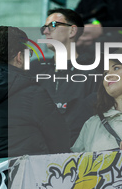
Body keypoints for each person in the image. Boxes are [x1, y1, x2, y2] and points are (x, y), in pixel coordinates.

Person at [0, 26, 70, 159]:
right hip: (25, 176)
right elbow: (60, 141)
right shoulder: (33, 92)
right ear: (19, 57)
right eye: (29, 53)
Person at [36, 8, 99, 141]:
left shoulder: (93, 71)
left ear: (72, 30)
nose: (46, 32)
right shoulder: (36, 70)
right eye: (44, 28)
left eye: (53, 25)